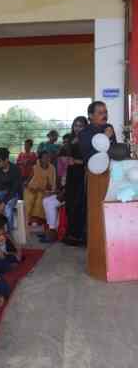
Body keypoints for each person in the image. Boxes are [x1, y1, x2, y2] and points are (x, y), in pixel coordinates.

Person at [79, 101, 116, 280]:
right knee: (97, 217)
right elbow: (87, 154)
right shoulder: (85, 133)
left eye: (105, 111)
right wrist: (105, 137)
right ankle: (96, 261)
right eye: (100, 112)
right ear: (91, 115)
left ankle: (112, 255)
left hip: (111, 175)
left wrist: (110, 139)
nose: (104, 115)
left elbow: (114, 150)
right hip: (95, 178)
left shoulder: (109, 128)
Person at [63, 116, 89, 246]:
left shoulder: (87, 140)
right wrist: (66, 160)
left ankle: (79, 235)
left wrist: (76, 161)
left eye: (80, 126)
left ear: (85, 127)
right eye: (75, 125)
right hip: (71, 174)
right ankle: (71, 233)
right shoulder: (70, 139)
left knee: (79, 204)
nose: (77, 128)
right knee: (70, 202)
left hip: (81, 174)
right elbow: (65, 155)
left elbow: (89, 160)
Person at [0, 147, 21, 232]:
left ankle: (9, 233)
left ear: (6, 160)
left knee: (7, 209)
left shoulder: (15, 169)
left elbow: (14, 189)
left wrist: (3, 203)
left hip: (12, 195)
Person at [24, 151, 56, 224]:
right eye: (44, 157)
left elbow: (51, 185)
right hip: (32, 188)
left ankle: (37, 219)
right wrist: (27, 185)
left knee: (40, 197)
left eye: (48, 157)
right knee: (30, 197)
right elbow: (28, 180)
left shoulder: (52, 168)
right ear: (40, 159)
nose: (46, 159)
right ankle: (28, 219)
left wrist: (48, 186)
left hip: (44, 190)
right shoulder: (35, 167)